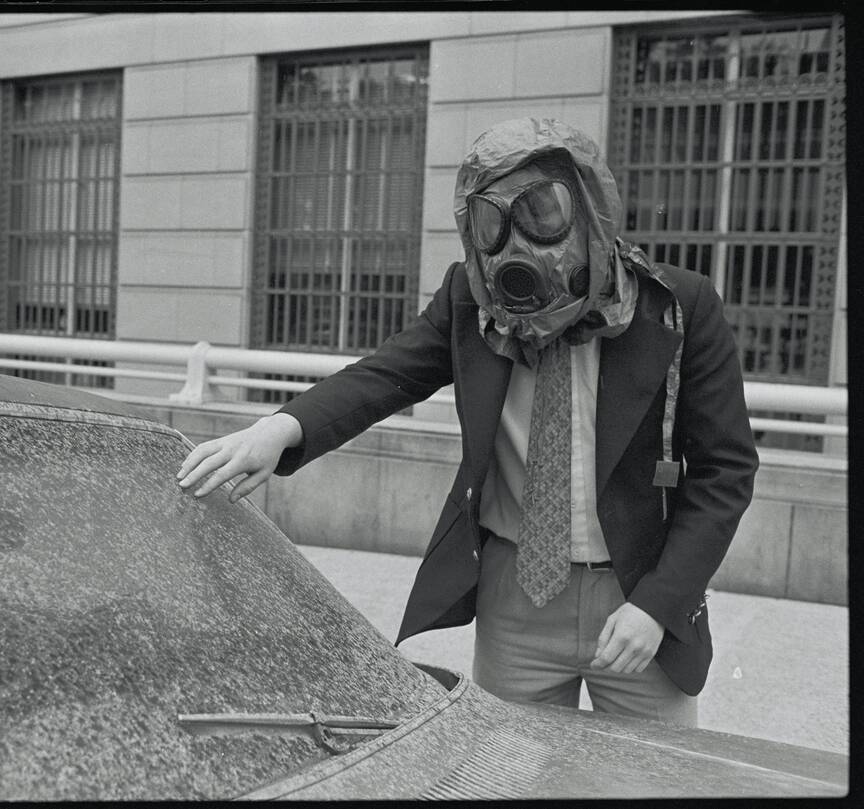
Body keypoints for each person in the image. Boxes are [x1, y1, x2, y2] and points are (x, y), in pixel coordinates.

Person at [176, 118, 758, 725]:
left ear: (590, 211)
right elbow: (382, 377)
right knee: (511, 776)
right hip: (517, 600)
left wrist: (661, 604)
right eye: (493, 223)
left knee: (652, 779)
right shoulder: (469, 302)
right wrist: (279, 429)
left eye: (542, 213)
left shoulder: (676, 305)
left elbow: (725, 469)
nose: (520, 246)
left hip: (639, 597)